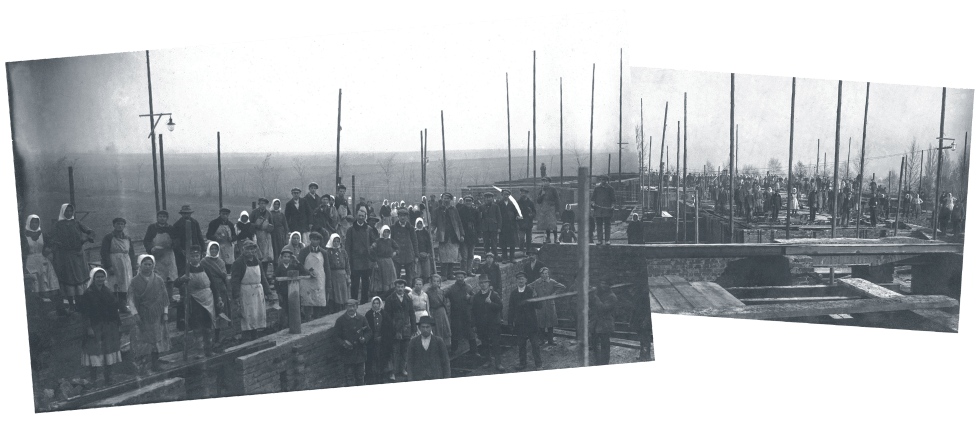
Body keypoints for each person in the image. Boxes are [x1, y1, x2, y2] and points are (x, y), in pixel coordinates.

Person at [77, 267, 123, 387]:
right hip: (95, 327)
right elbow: (85, 314)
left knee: (109, 351)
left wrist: (118, 324)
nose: (100, 279)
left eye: (102, 277)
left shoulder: (108, 292)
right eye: (98, 277)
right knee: (95, 352)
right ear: (93, 278)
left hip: (109, 326)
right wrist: (89, 328)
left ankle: (108, 377)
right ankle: (94, 378)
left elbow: (114, 310)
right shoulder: (88, 293)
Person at [174, 245, 219, 358]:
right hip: (194, 300)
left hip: (208, 299)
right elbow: (176, 283)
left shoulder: (205, 268)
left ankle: (208, 349)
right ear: (188, 257)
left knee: (208, 326)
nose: (195, 258)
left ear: (200, 256)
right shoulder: (186, 269)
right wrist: (182, 279)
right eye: (192, 256)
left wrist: (218, 298)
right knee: (197, 326)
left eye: (197, 256)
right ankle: (199, 351)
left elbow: (213, 285)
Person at [130, 255, 171, 374]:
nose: (148, 267)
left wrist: (165, 313)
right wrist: (135, 314)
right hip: (142, 315)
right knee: (144, 340)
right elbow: (131, 300)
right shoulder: (134, 281)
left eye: (150, 264)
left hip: (156, 315)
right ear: (140, 265)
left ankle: (155, 363)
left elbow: (164, 298)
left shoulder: (158, 280)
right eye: (145, 264)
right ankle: (144, 366)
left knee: (156, 339)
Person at [51, 203, 96, 311]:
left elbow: (91, 232)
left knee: (79, 278)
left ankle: (80, 304)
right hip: (65, 256)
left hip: (78, 256)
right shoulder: (58, 225)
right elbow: (51, 238)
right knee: (68, 278)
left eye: (71, 211)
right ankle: (71, 304)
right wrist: (58, 245)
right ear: (63, 212)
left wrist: (85, 239)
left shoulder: (77, 223)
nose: (69, 213)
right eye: (67, 211)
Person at [22, 214, 66, 316]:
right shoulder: (24, 235)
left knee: (51, 286)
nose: (34, 224)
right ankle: (36, 314)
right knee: (34, 287)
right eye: (32, 222)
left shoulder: (42, 234)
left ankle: (60, 310)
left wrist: (50, 250)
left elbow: (50, 244)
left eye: (36, 222)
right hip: (30, 263)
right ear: (29, 223)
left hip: (43, 262)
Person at [230, 240, 271, 341]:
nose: (250, 251)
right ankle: (246, 337)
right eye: (248, 249)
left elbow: (263, 278)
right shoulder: (238, 263)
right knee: (247, 315)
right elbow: (235, 280)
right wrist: (236, 296)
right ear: (243, 250)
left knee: (256, 314)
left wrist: (268, 292)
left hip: (257, 291)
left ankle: (255, 335)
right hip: (246, 292)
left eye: (252, 249)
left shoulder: (258, 262)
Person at [100, 217, 138, 314]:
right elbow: (104, 252)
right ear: (114, 225)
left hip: (126, 263)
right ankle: (112, 307)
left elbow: (132, 253)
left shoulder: (127, 238)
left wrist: (134, 267)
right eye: (117, 224)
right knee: (114, 285)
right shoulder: (108, 237)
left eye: (121, 224)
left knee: (125, 285)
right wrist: (109, 266)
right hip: (114, 263)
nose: (119, 226)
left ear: (124, 226)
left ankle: (123, 306)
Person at [508, 271, 543, 371]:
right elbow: (511, 309)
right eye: (519, 279)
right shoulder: (513, 293)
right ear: (516, 281)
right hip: (520, 324)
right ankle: (522, 363)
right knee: (521, 345)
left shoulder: (531, 291)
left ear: (526, 280)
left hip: (531, 323)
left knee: (535, 345)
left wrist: (536, 297)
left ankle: (538, 364)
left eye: (522, 279)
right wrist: (510, 323)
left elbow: (539, 306)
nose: (520, 280)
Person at [383, 279, 417, 380]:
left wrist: (414, 328)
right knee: (394, 351)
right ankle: (392, 372)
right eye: (398, 287)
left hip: (406, 328)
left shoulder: (408, 298)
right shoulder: (390, 299)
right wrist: (390, 329)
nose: (400, 289)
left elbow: (412, 313)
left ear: (404, 288)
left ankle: (403, 369)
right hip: (395, 329)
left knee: (405, 350)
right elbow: (386, 316)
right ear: (395, 287)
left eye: (402, 287)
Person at [333, 298, 371, 387]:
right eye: (349, 306)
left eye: (353, 306)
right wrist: (343, 343)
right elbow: (335, 336)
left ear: (357, 307)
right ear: (346, 307)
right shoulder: (340, 320)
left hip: (360, 353)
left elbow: (368, 331)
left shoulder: (362, 318)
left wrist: (364, 339)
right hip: (347, 354)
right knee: (349, 377)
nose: (351, 309)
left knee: (360, 376)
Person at [471, 273, 505, 371]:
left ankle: (498, 363)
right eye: (481, 283)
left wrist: (491, 303)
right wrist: (473, 324)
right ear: (479, 284)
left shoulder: (494, 295)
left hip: (493, 324)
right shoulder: (477, 297)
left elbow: (500, 307)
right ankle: (488, 360)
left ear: (488, 284)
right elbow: (473, 311)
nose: (483, 285)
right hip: (482, 325)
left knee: (495, 344)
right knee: (484, 343)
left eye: (485, 283)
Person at [405, 315, 451, 382]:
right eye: (423, 327)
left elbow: (445, 361)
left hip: (436, 376)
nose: (425, 329)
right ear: (419, 328)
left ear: (431, 327)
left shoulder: (439, 341)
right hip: (418, 377)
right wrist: (410, 378)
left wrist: (447, 376)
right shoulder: (413, 342)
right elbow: (410, 361)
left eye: (427, 327)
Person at [202, 242, 231, 343]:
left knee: (221, 312)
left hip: (221, 288)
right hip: (210, 288)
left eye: (216, 249)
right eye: (212, 249)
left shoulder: (221, 262)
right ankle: (210, 338)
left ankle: (218, 336)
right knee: (212, 312)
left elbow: (224, 275)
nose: (214, 251)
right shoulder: (204, 262)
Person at [296, 232, 330, 319]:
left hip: (319, 279)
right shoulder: (304, 251)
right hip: (307, 280)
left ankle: (316, 318)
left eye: (317, 240)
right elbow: (299, 264)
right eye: (313, 239)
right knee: (307, 300)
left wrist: (329, 284)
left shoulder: (324, 252)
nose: (315, 241)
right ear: (310, 240)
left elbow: (327, 268)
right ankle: (308, 318)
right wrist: (307, 272)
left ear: (319, 241)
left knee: (318, 300)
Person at [273, 245, 307, 330]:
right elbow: (276, 281)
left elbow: (302, 271)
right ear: (282, 257)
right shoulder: (279, 268)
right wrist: (278, 292)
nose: (286, 258)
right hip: (283, 292)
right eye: (285, 257)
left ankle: (294, 323)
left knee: (294, 308)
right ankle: (284, 325)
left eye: (288, 257)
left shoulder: (293, 266)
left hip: (293, 291)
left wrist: (297, 261)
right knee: (284, 309)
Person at [530, 267, 566, 345]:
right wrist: (534, 292)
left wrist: (554, 294)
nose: (544, 275)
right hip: (540, 305)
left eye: (546, 273)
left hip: (550, 304)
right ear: (540, 274)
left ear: (548, 274)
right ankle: (542, 340)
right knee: (541, 323)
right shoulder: (536, 282)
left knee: (550, 323)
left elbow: (562, 287)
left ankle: (550, 340)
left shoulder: (552, 282)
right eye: (543, 273)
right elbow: (528, 287)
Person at [347, 210, 376, 304]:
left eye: (363, 216)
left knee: (365, 282)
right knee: (355, 282)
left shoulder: (369, 229)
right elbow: (347, 245)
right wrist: (348, 259)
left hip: (366, 259)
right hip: (355, 259)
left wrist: (371, 249)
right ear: (356, 216)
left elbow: (373, 242)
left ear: (365, 217)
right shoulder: (350, 229)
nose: (361, 218)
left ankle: (364, 300)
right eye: (359, 216)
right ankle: (354, 300)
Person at [433, 193, 463, 278]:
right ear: (442, 199)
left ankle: (450, 274)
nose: (446, 200)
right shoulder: (438, 210)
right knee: (444, 257)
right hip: (443, 236)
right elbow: (434, 223)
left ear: (450, 200)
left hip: (453, 236)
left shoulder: (454, 210)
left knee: (452, 256)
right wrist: (431, 230)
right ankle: (443, 275)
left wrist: (462, 234)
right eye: (444, 198)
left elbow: (459, 222)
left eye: (448, 198)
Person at [364, 296, 392, 384]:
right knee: (372, 357)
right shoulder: (368, 314)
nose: (376, 305)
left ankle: (382, 376)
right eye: (374, 303)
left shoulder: (384, 314)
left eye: (377, 303)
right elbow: (366, 328)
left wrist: (382, 337)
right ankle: (372, 377)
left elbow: (389, 327)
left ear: (380, 304)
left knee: (382, 357)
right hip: (372, 339)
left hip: (382, 339)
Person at [173, 205, 206, 278]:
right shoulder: (177, 225)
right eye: (184, 213)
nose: (186, 215)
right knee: (182, 270)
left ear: (190, 214)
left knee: (195, 268)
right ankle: (183, 287)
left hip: (194, 249)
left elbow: (199, 236)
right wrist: (181, 250)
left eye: (188, 213)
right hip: (182, 252)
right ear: (181, 214)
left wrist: (203, 249)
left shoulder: (194, 223)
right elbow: (175, 241)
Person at [590, 281, 618, 367]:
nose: (603, 285)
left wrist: (595, 297)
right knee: (594, 344)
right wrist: (590, 296)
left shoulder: (612, 297)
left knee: (605, 346)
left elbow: (603, 308)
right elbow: (592, 306)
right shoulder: (601, 294)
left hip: (605, 324)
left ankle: (604, 363)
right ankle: (597, 362)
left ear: (610, 285)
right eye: (602, 283)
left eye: (606, 283)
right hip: (596, 323)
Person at [370, 225, 399, 302]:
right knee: (380, 279)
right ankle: (380, 296)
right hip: (380, 262)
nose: (386, 234)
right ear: (382, 232)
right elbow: (372, 251)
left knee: (389, 279)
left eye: (387, 232)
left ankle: (389, 295)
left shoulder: (391, 241)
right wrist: (375, 261)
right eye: (384, 232)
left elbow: (397, 248)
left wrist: (395, 252)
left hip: (389, 262)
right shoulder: (378, 241)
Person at [325, 234, 352, 314]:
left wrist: (348, 275)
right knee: (335, 293)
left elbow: (347, 264)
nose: (336, 243)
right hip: (333, 275)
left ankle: (344, 308)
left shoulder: (343, 252)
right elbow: (327, 266)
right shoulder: (328, 252)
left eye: (337, 241)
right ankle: (335, 309)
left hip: (342, 275)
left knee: (343, 292)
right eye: (334, 241)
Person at [391, 208, 418, 285]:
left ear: (407, 217)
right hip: (397, 256)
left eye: (404, 216)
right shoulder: (393, 228)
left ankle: (409, 292)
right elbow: (390, 242)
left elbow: (415, 242)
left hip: (408, 255)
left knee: (410, 276)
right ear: (398, 217)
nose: (403, 217)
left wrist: (416, 256)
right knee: (396, 275)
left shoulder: (411, 228)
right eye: (401, 216)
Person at [206, 208, 238, 273]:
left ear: (228, 215)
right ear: (220, 214)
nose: (225, 216)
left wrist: (231, 238)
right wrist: (216, 238)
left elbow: (235, 236)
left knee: (228, 265)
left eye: (226, 214)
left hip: (228, 247)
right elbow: (208, 235)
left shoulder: (230, 224)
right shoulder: (214, 223)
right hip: (217, 247)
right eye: (223, 214)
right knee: (218, 264)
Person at [426, 274, 452, 349]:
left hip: (442, 311)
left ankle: (445, 345)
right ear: (431, 282)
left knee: (444, 327)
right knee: (437, 329)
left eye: (438, 281)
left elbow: (444, 302)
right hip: (434, 311)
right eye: (434, 281)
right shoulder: (428, 292)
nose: (436, 283)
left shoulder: (441, 291)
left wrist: (446, 311)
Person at [457, 195, 480, 274]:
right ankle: (463, 272)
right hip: (464, 236)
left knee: (471, 255)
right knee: (464, 256)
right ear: (464, 201)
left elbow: (478, 223)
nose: (468, 202)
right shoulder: (460, 211)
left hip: (472, 236)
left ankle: (469, 271)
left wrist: (477, 234)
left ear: (472, 202)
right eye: (467, 201)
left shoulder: (475, 211)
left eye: (469, 201)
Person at [592, 175, 616, 245]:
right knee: (599, 225)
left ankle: (607, 240)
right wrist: (593, 204)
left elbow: (613, 200)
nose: (603, 181)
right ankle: (599, 240)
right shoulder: (596, 189)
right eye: (602, 180)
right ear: (600, 180)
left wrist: (612, 206)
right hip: (598, 211)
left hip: (607, 211)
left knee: (607, 225)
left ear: (607, 181)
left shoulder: (610, 189)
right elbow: (592, 199)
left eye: (604, 180)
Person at [536, 177, 561, 244]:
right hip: (544, 209)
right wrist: (542, 195)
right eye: (543, 181)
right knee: (546, 224)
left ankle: (556, 238)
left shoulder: (553, 189)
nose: (545, 183)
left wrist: (557, 210)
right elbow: (538, 201)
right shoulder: (541, 190)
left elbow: (557, 200)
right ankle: (548, 238)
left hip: (552, 208)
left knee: (553, 223)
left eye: (546, 181)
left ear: (549, 182)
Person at [498, 190, 520, 262]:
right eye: (504, 194)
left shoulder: (513, 203)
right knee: (503, 243)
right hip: (503, 226)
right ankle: (504, 258)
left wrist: (517, 216)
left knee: (512, 243)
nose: (506, 196)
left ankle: (512, 257)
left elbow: (517, 212)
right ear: (502, 195)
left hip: (512, 226)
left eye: (507, 194)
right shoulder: (499, 203)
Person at [479, 192, 502, 259]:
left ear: (492, 198)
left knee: (494, 243)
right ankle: (486, 255)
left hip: (493, 227)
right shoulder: (481, 207)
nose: (488, 199)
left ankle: (495, 255)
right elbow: (479, 218)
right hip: (485, 227)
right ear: (484, 198)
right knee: (486, 242)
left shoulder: (496, 206)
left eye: (489, 197)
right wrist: (480, 228)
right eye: (486, 197)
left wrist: (499, 227)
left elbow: (499, 217)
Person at [269, 199, 290, 265]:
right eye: (275, 204)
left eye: (278, 204)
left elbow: (285, 225)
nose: (276, 206)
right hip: (273, 233)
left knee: (281, 248)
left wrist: (286, 234)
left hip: (281, 233)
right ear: (273, 205)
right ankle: (275, 263)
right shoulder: (270, 214)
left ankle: (281, 263)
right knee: (274, 248)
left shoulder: (281, 214)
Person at [414, 218, 435, 284]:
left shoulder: (426, 233)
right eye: (418, 223)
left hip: (425, 253)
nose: (419, 225)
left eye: (420, 223)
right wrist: (416, 254)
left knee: (426, 269)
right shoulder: (414, 233)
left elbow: (429, 243)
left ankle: (426, 280)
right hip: (418, 253)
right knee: (418, 270)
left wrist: (428, 253)